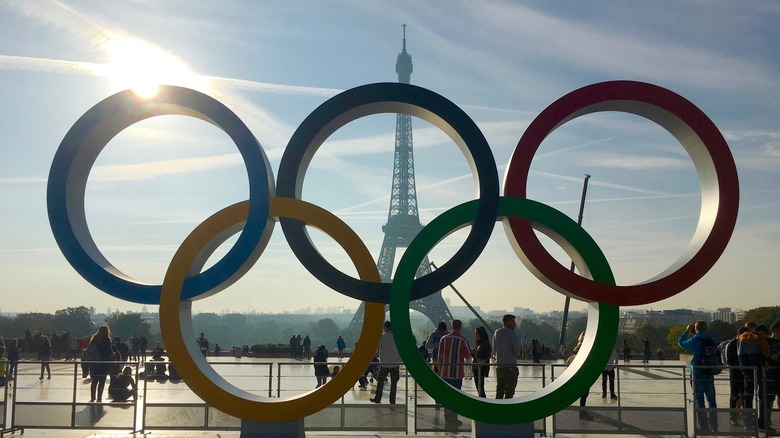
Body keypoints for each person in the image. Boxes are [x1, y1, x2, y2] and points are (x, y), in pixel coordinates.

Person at [678, 320, 718, 433]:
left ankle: (704, 426)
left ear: (695, 329)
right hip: (709, 372)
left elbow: (680, 343)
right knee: (712, 400)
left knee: (699, 399)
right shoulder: (711, 339)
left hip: (697, 371)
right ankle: (714, 425)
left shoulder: (695, 340)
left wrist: (686, 331)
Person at [738, 323, 777, 432]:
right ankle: (762, 424)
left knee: (748, 396)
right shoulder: (760, 339)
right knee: (763, 396)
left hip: (746, 370)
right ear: (762, 332)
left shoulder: (741, 337)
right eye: (765, 335)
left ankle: (748, 423)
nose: (765, 337)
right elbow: (767, 353)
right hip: (760, 370)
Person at [437, 319, 471, 429]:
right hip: (457, 374)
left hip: (445, 373)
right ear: (460, 327)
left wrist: (439, 370)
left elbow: (439, 357)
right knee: (455, 397)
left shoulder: (443, 339)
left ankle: (448, 417)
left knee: (447, 397)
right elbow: (467, 356)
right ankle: (453, 418)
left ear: (451, 326)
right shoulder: (462, 340)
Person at [722, 327, 748, 426]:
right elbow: (730, 360)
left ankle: (745, 415)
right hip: (736, 373)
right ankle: (733, 416)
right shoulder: (732, 344)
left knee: (745, 394)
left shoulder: (744, 343)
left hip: (743, 372)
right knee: (734, 395)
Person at [370, 321, 401, 404]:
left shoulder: (382, 337)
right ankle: (392, 400)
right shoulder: (397, 337)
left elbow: (376, 346)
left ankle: (378, 398)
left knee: (380, 382)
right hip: (395, 363)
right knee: (394, 384)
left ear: (386, 328)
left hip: (384, 363)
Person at [493, 314, 521, 399]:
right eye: (513, 322)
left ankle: (498, 409)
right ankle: (507, 410)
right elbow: (517, 351)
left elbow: (494, 350)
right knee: (509, 392)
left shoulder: (496, 334)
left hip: (500, 366)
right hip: (510, 366)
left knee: (499, 390)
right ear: (507, 322)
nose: (515, 324)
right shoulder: (512, 334)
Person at [89, 325, 113, 402]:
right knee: (102, 381)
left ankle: (93, 397)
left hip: (95, 362)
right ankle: (99, 397)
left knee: (94, 380)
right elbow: (109, 352)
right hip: (104, 362)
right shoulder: (106, 340)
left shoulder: (95, 339)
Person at [471, 326, 491, 398]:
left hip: (480, 369)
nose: (475, 335)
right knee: (479, 387)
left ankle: (482, 400)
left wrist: (475, 353)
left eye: (476, 334)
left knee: (480, 387)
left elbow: (484, 356)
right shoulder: (480, 344)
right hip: (478, 369)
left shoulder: (484, 345)